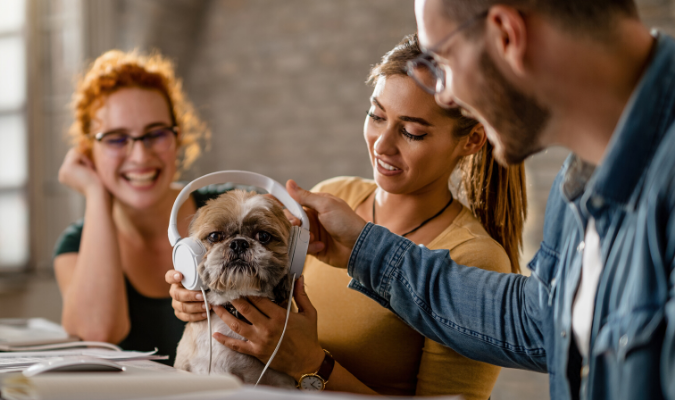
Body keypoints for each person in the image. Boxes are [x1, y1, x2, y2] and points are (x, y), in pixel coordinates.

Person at [279, 1, 675, 399]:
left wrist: (312, 366)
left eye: (442, 63)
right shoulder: (578, 183)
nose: (447, 94)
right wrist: (365, 251)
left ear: (507, 35)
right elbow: (536, 320)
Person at [167, 35, 527, 398]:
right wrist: (200, 296)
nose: (382, 144)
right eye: (376, 115)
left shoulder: (474, 257)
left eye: (412, 132)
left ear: (472, 140)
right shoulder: (334, 198)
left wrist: (311, 365)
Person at [53, 49, 223, 365]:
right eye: (116, 139)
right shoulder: (75, 245)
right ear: (89, 150)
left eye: (156, 134)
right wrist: (95, 193)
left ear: (178, 138)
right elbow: (98, 333)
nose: (141, 156)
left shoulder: (232, 207)